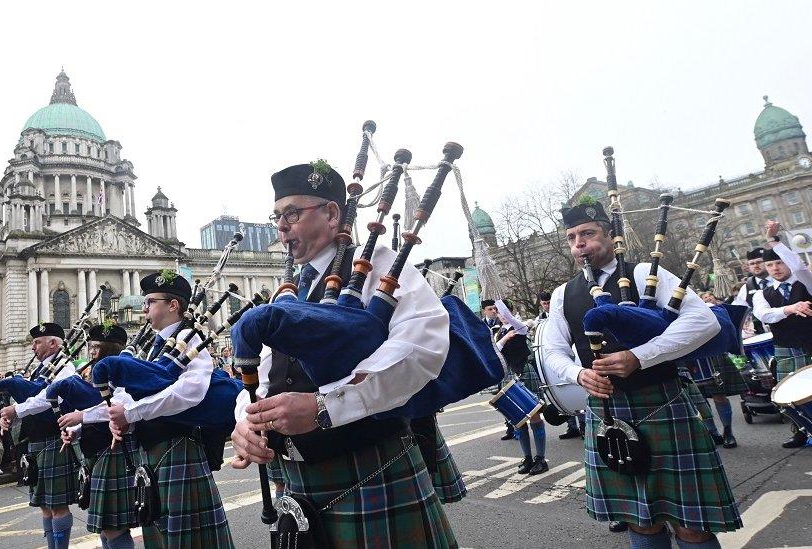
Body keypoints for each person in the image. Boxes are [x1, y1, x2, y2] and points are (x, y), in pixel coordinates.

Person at [230, 161, 456, 548]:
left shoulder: (378, 264)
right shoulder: (293, 288)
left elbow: (421, 349)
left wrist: (324, 407)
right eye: (277, 216)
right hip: (299, 484)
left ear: (332, 213)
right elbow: (266, 370)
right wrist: (247, 419)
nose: (281, 227)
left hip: (369, 471)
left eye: (292, 214)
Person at [541, 198, 742, 547]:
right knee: (640, 520)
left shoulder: (642, 274)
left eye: (587, 233)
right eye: (572, 237)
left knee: (691, 524)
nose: (579, 244)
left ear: (609, 235)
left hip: (662, 401)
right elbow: (553, 350)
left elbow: (704, 321)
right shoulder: (563, 294)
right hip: (607, 412)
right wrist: (577, 374)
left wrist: (639, 356)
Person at [105, 272, 233, 548]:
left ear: (173, 305)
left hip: (179, 449)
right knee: (162, 538)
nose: (144, 308)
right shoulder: (152, 346)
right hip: (153, 454)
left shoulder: (190, 337)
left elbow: (190, 391)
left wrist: (132, 413)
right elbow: (129, 390)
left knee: (188, 541)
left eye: (150, 301)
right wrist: (121, 411)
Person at [59, 321, 145, 549]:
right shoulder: (95, 374)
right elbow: (95, 409)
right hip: (98, 450)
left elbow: (120, 405)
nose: (92, 352)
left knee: (114, 528)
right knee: (106, 530)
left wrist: (80, 417)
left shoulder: (124, 369)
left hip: (116, 450)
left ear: (111, 349)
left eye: (97, 347)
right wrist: (74, 430)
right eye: (91, 346)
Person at [0, 322, 77, 549]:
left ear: (53, 343)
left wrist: (17, 410)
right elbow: (28, 398)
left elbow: (48, 399)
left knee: (57, 504)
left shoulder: (65, 368)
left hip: (54, 439)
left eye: (37, 342)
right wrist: (11, 415)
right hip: (35, 441)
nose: (32, 347)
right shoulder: (40, 369)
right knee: (44, 503)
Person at [751, 220, 812, 449]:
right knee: (789, 395)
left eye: (779, 262)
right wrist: (790, 308)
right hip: (786, 347)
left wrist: (773, 242)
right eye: (770, 265)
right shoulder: (762, 294)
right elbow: (764, 315)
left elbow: (799, 267)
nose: (775, 268)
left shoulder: (807, 283)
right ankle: (800, 432)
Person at [496, 298, 548, 474]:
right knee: (517, 421)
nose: (502, 316)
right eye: (499, 313)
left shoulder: (520, 326)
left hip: (524, 371)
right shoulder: (498, 333)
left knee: (534, 417)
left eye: (504, 313)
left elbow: (511, 319)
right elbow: (495, 350)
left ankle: (540, 459)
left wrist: (496, 298)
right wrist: (504, 338)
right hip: (509, 375)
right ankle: (527, 458)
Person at [733, 247, 773, 335]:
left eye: (759, 262)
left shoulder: (780, 280)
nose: (755, 266)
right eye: (752, 263)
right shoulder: (746, 288)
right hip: (764, 335)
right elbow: (739, 311)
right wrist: (743, 323)